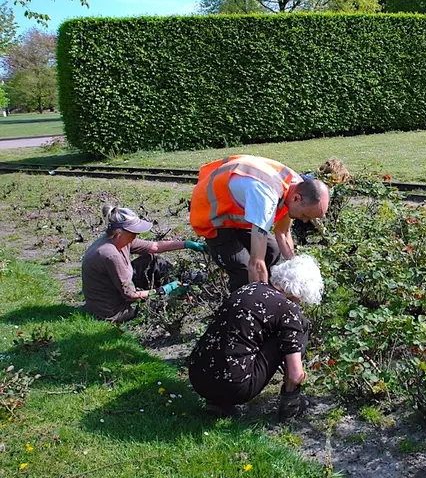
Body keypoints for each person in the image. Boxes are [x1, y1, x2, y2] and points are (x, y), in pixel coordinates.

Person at [188, 254, 323, 421]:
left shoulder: (249, 288)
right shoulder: (288, 310)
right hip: (234, 386)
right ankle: (291, 404)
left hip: (198, 376)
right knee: (298, 326)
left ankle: (216, 403)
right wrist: (297, 375)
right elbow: (296, 375)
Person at [189, 155, 330, 291]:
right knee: (242, 267)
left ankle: (271, 292)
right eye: (305, 215)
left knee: (274, 251)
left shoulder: (297, 186)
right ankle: (241, 306)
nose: (304, 220)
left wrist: (295, 270)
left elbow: (283, 232)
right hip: (214, 218)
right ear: (296, 199)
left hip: (239, 215)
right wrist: (262, 300)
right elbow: (256, 263)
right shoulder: (265, 197)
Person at [82, 205, 208, 323]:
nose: (137, 235)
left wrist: (188, 244)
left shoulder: (118, 240)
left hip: (115, 290)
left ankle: (186, 281)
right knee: (169, 303)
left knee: (152, 261)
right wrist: (163, 290)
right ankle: (181, 288)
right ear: (119, 233)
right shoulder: (110, 254)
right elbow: (130, 295)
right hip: (113, 310)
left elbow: (155, 246)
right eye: (133, 233)